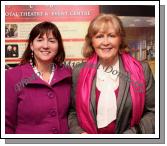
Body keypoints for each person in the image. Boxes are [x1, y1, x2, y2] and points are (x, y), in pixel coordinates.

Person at [68, 14, 155, 134]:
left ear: (120, 40)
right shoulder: (79, 71)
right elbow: (73, 112)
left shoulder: (142, 70)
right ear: (91, 41)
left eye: (111, 36)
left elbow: (155, 112)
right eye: (99, 36)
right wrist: (80, 134)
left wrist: (132, 135)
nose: (105, 42)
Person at [5, 21, 72, 134]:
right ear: (31, 45)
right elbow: (6, 124)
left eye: (52, 41)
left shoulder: (68, 74)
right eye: (40, 40)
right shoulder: (12, 77)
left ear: (58, 45)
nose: (45, 46)